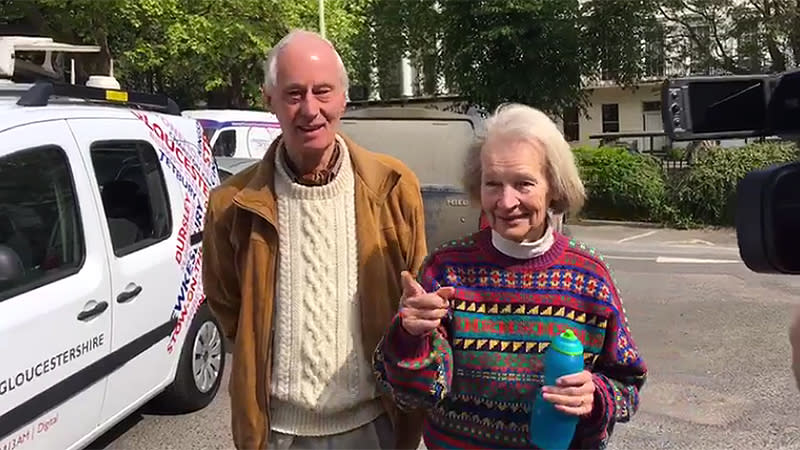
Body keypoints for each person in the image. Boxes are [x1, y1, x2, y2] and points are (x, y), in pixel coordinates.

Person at [373, 103, 648, 449]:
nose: (506, 201)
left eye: (523, 183)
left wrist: (596, 397)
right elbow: (413, 396)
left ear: (553, 186)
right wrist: (410, 336)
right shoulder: (447, 271)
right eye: (493, 184)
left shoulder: (589, 277)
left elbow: (628, 382)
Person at [202, 29, 426, 450]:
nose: (310, 109)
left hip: (376, 426)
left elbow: (415, 294)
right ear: (269, 100)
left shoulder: (394, 187)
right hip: (278, 434)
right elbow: (228, 305)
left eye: (323, 91)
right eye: (293, 93)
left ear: (344, 97)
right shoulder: (232, 204)